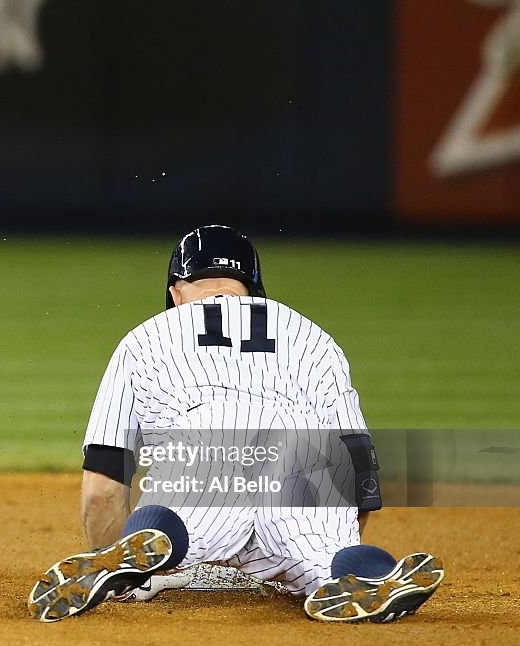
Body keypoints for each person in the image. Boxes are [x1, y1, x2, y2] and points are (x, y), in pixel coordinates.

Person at [27, 225, 444, 623]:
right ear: (253, 287)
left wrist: (114, 563)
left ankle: (145, 548)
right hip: (307, 446)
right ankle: (368, 574)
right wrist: (341, 530)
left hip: (209, 437)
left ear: (175, 292)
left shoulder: (144, 339)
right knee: (322, 556)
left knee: (181, 529)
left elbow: (103, 482)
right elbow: (361, 467)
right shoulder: (311, 336)